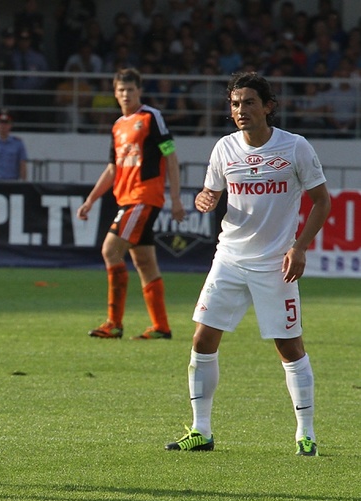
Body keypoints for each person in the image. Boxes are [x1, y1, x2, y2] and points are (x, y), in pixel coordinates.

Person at [164, 72, 331, 456]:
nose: (241, 110)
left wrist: (299, 248)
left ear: (268, 106)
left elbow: (322, 201)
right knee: (202, 339)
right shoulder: (224, 148)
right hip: (230, 258)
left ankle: (306, 434)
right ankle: (201, 430)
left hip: (275, 263)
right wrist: (205, 199)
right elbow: (211, 192)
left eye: (249, 102)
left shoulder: (294, 147)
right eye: (236, 104)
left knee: (289, 347)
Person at [76, 68, 185, 340]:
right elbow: (113, 168)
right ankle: (161, 327)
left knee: (110, 250)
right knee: (145, 262)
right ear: (115, 93)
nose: (126, 95)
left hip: (143, 197)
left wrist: (175, 198)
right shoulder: (117, 126)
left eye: (131, 90)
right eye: (121, 90)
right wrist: (91, 200)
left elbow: (170, 156)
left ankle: (114, 323)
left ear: (139, 91)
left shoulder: (151, 117)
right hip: (126, 198)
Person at [0, 111, 28, 181]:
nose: (3, 126)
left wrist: (24, 182)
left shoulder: (18, 144)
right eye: (0, 123)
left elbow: (22, 164)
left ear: (10, 125)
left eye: (6, 123)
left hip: (12, 181)